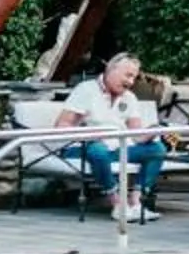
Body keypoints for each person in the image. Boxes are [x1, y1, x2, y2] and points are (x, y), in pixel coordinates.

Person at [54, 49, 167, 219]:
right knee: (98, 150)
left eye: (133, 78)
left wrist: (152, 132)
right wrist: (89, 134)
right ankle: (117, 205)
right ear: (111, 69)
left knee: (157, 149)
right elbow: (61, 126)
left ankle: (136, 203)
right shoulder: (86, 90)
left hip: (115, 147)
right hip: (81, 147)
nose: (130, 82)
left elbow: (137, 135)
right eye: (127, 75)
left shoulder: (129, 97)